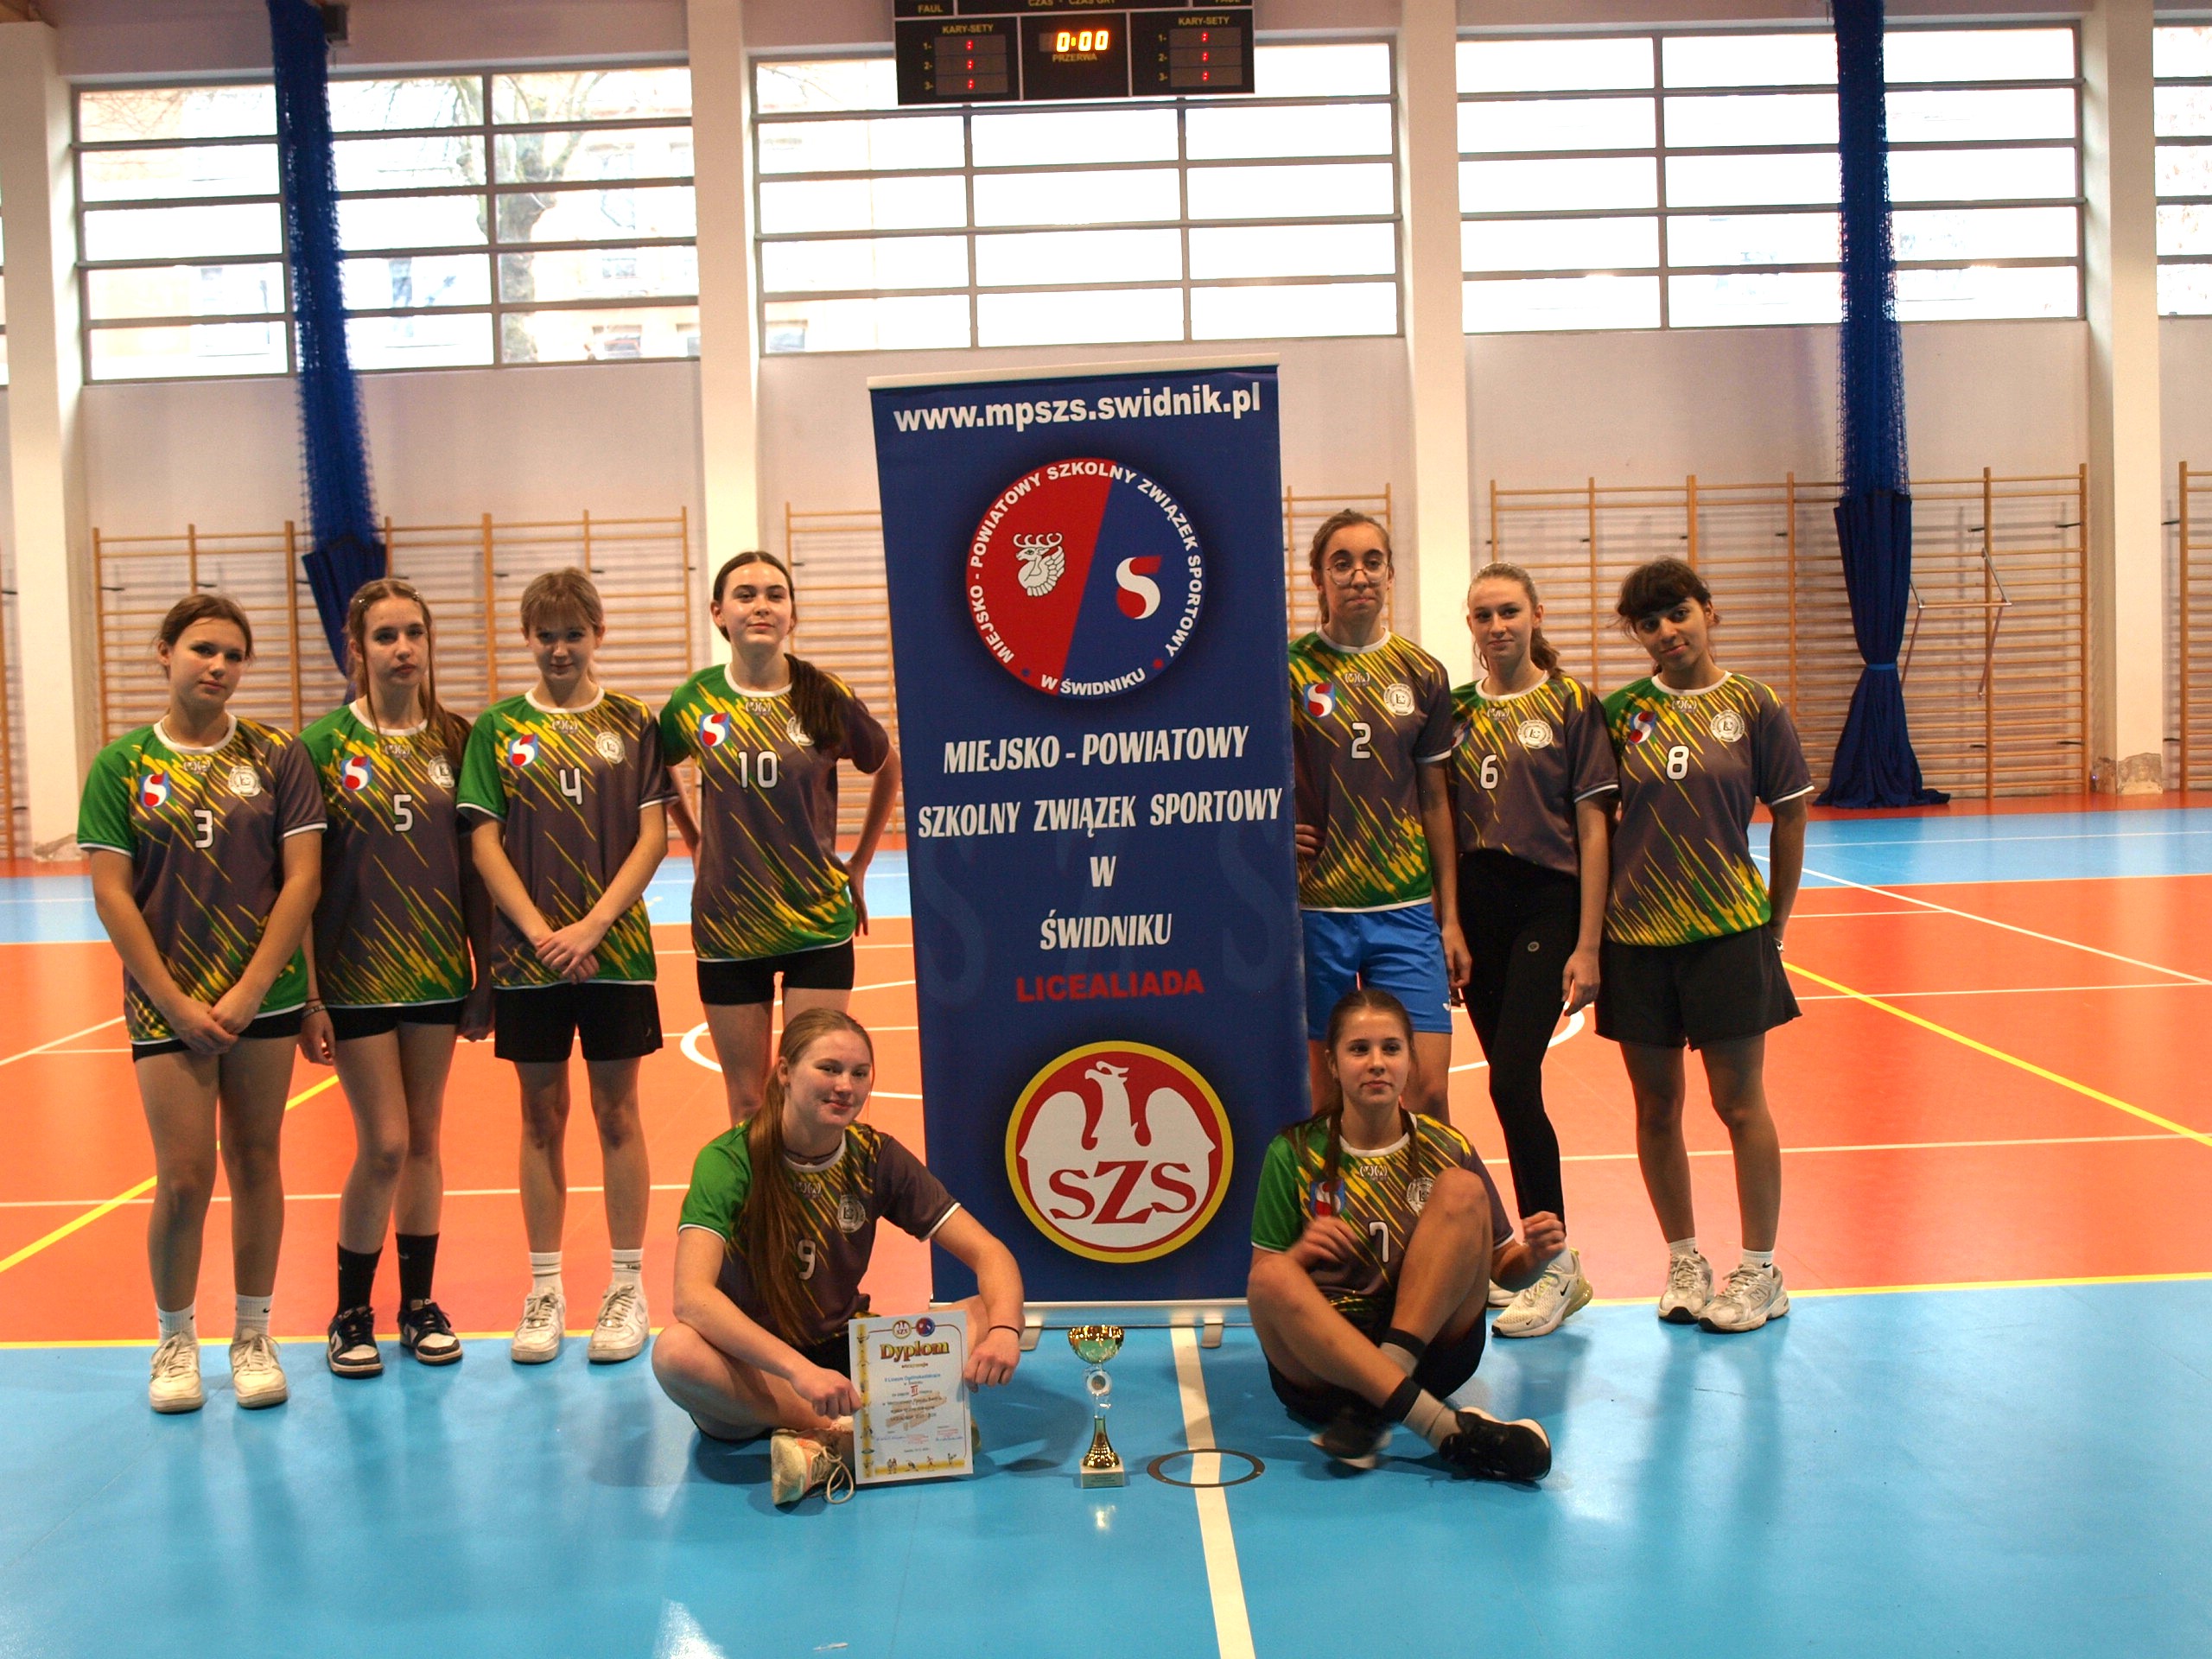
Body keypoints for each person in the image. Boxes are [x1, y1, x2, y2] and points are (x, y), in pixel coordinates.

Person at [79, 594, 325, 1414]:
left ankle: (253, 1335)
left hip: (263, 999)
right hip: (167, 1004)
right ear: (165, 652)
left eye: (233, 654)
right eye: (202, 649)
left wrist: (253, 990)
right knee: (184, 1178)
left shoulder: (279, 756)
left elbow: (302, 880)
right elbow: (112, 894)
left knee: (257, 1161)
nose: (218, 666)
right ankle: (174, 1340)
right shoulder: (122, 766)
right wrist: (174, 1001)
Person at [652, 1008, 1027, 1507]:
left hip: (846, 1359)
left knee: (983, 1310)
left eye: (859, 1073)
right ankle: (871, 1434)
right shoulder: (730, 1160)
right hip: (756, 1370)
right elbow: (692, 1298)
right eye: (828, 1068)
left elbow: (990, 1253)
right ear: (785, 1072)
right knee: (676, 1353)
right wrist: (797, 1371)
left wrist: (1005, 1331)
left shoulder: (875, 1156)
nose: (845, 1086)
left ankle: (830, 1447)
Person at [458, 567, 676, 1366]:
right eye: (546, 635)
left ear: (597, 635)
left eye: (573, 634)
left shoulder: (633, 722)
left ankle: (627, 1287)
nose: (559, 648)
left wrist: (590, 927)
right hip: (528, 962)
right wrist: (542, 931)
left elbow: (654, 837)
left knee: (618, 1116)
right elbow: (484, 842)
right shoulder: (497, 729)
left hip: (615, 954)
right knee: (540, 1118)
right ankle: (545, 1290)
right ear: (527, 638)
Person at [1599, 558, 1810, 1334]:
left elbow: (1791, 815)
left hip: (1728, 932)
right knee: (1656, 1107)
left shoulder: (1754, 705)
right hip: (1637, 938)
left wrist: (1775, 923)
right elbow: (1592, 828)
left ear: (1708, 611)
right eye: (1649, 623)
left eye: (1678, 613)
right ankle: (1685, 1260)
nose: (1667, 632)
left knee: (1739, 1103)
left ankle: (1760, 1270)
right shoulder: (1619, 714)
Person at [298, 579, 494, 1376]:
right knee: (384, 1144)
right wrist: (310, 994)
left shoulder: (460, 740)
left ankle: (419, 1305)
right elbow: (300, 883)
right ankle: (350, 1312)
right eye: (386, 636)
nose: (403, 648)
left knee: (424, 1141)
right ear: (357, 649)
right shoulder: (320, 747)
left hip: (438, 975)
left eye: (415, 632)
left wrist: (485, 973)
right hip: (355, 978)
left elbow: (478, 868)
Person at [1247, 988, 1560, 1483]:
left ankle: (1375, 1401)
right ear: (1332, 1064)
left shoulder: (1446, 1147)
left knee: (1461, 1190)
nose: (1376, 1063)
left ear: (1411, 1060)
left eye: (1390, 1048)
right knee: (1270, 1277)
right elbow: (1266, 1286)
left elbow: (1505, 1270)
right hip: (1325, 1367)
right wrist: (1301, 1253)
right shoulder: (1294, 1153)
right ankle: (1440, 1427)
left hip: (1429, 1353)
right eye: (1359, 1049)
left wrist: (1536, 1259)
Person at [662, 550, 901, 1125]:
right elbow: (658, 769)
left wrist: (860, 862)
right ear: (719, 613)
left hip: (815, 923)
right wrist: (693, 838)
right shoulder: (694, 701)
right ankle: (758, 1191)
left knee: (812, 1098)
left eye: (775, 595)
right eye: (745, 595)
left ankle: (813, 1189)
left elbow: (887, 765)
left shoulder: (824, 695)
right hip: (729, 926)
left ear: (793, 613)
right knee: (748, 1103)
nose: (761, 606)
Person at [1450, 563, 1617, 1339]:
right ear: (1471, 625)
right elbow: (1438, 820)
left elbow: (1593, 828)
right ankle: (1529, 1259)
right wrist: (1448, 923)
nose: (1497, 627)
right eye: (1483, 615)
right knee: (1509, 1090)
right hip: (1476, 906)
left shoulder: (1572, 704)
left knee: (1514, 1079)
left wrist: (1589, 942)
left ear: (1536, 615)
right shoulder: (1456, 712)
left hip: (1546, 901)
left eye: (1509, 612)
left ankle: (1555, 1265)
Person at [1288, 510, 1466, 1121]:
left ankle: (1426, 1188)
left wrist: (1450, 918)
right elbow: (1255, 784)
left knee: (1428, 1092)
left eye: (1372, 562)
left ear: (1390, 574)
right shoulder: (1288, 671)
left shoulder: (1423, 672)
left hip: (1405, 907)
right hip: (1319, 910)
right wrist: (1274, 834)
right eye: (1341, 563)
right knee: (1327, 1098)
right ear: (1318, 578)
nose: (1358, 575)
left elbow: (1436, 799)